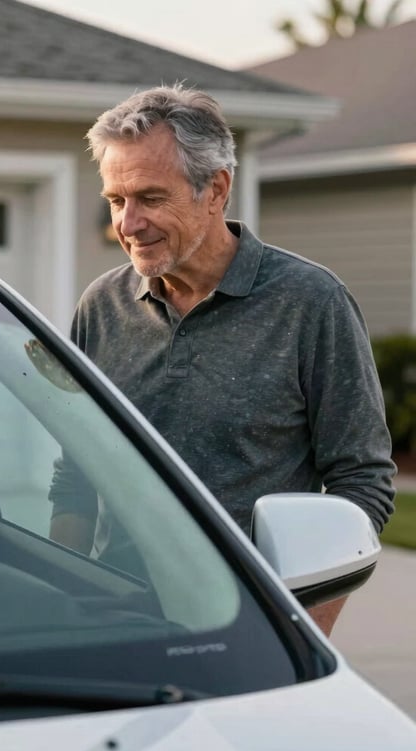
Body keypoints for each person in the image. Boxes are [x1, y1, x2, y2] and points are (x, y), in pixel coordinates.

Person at [48, 83, 396, 636]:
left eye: (150, 198)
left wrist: (302, 631)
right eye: (116, 201)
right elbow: (77, 472)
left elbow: (362, 481)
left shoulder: (310, 303)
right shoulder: (101, 307)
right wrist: (60, 601)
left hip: (257, 631)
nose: (128, 223)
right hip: (115, 625)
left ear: (215, 190)